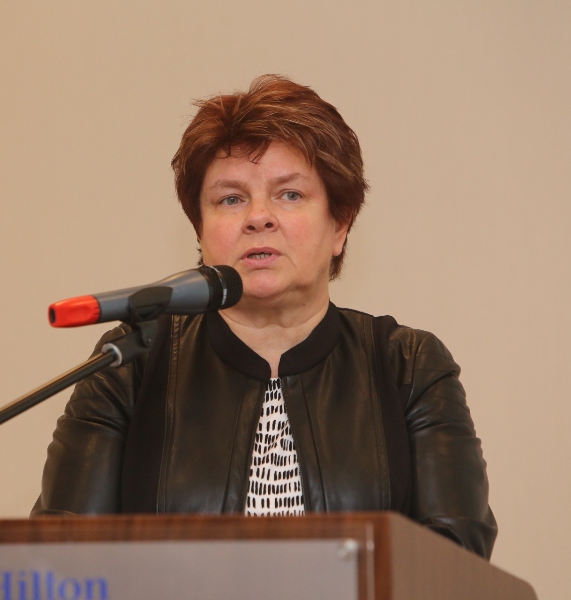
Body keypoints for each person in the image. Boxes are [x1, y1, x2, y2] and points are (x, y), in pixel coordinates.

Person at [32, 75, 497, 559]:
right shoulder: (132, 361)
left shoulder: (408, 364)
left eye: (289, 194)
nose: (258, 217)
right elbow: (60, 559)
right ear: (201, 230)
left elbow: (455, 562)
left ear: (340, 225)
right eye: (231, 199)